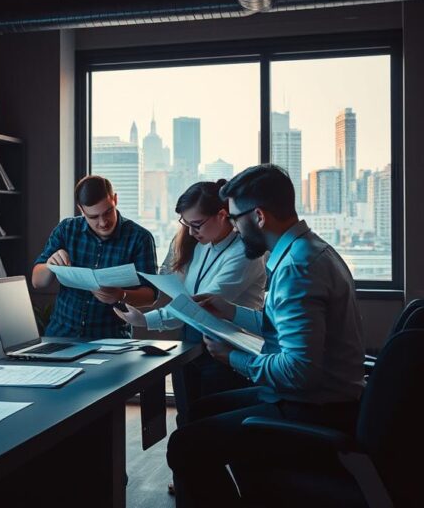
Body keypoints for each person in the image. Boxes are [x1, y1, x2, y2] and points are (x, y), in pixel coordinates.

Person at [166, 164, 365, 508]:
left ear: (258, 217)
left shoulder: (297, 269)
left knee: (185, 445)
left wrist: (233, 358)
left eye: (235, 218)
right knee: (201, 410)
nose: (233, 227)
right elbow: (282, 328)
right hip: (319, 399)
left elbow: (299, 371)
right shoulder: (310, 250)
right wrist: (230, 311)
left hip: (312, 408)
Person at [114, 180, 266, 425]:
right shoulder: (203, 245)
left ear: (222, 215)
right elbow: (190, 304)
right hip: (192, 346)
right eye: (187, 225)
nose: (193, 233)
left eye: (197, 225)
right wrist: (143, 318)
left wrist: (148, 319)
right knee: (188, 423)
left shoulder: (245, 253)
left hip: (228, 354)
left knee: (219, 433)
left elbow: (199, 307)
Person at [32, 175, 157, 339]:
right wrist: (50, 265)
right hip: (61, 335)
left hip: (110, 339)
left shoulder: (140, 238)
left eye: (108, 212)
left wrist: (121, 295)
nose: (103, 222)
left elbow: (151, 295)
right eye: (93, 217)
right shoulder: (66, 229)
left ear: (115, 199)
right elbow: (37, 282)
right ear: (81, 210)